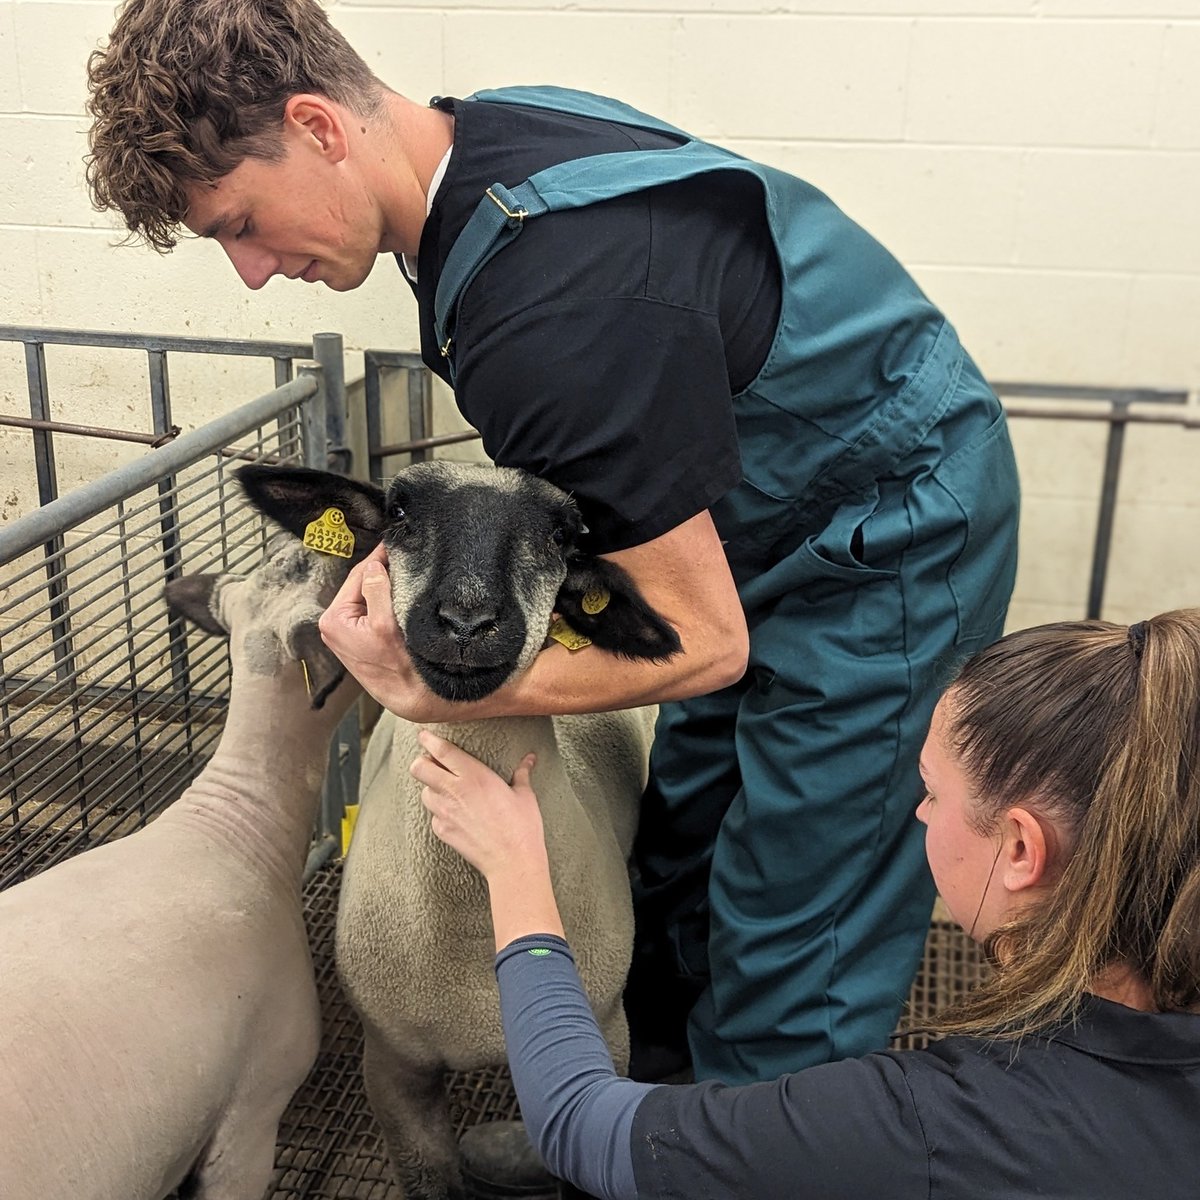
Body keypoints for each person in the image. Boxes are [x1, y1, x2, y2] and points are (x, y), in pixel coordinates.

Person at [84, 0, 1020, 1084]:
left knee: (799, 905)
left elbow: (706, 645)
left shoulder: (550, 311)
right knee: (685, 837)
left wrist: (438, 696)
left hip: (886, 530)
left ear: (319, 127)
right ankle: (653, 1110)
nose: (249, 271)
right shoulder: (482, 152)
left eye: (239, 223)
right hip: (744, 521)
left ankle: (756, 1135)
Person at [414, 610, 1200, 1200]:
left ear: (1023, 851)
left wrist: (515, 863)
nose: (920, 814)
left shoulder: (939, 1124)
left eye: (931, 794)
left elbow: (576, 1125)